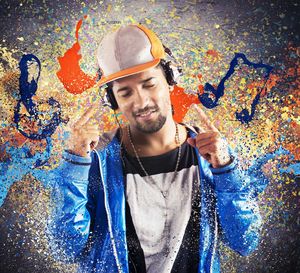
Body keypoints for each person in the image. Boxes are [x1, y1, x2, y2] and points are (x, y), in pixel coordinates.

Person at [48, 24, 262, 273]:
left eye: (149, 84)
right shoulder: (93, 161)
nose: (141, 101)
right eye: (126, 92)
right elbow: (64, 248)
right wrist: (75, 162)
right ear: (113, 101)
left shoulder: (212, 157)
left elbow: (246, 242)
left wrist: (226, 169)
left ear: (171, 81)